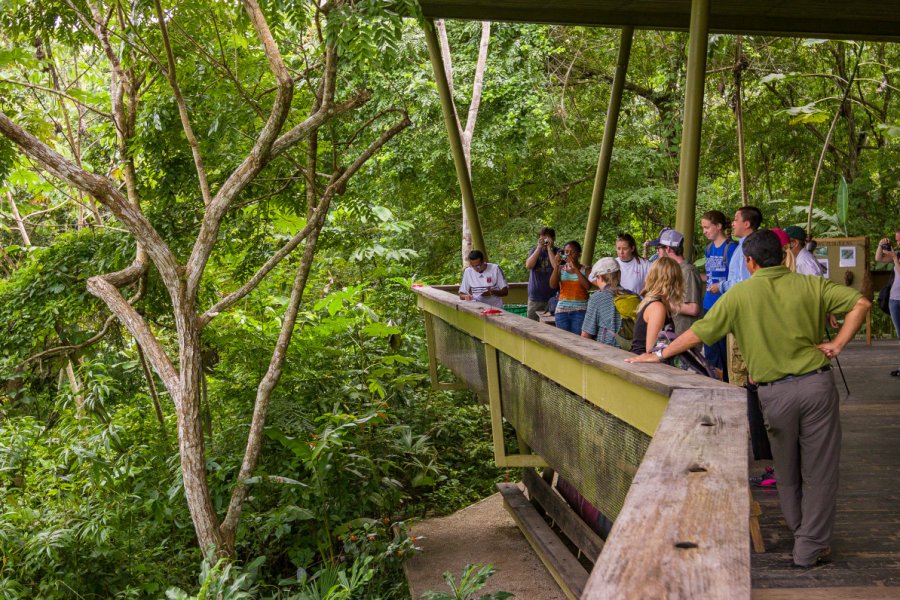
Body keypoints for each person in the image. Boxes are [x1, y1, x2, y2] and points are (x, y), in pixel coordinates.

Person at [628, 229, 871, 568]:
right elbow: (861, 303)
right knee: (820, 469)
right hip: (816, 385)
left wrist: (660, 354)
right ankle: (809, 544)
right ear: (784, 256)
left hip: (775, 394)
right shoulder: (811, 285)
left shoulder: (740, 295)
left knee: (785, 467)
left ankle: (803, 532)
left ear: (750, 261)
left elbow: (698, 332)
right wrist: (839, 343)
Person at [707, 205, 763, 386]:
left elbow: (742, 282)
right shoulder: (743, 246)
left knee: (739, 367)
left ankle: (743, 403)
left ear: (746, 223)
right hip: (740, 312)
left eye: (736, 219)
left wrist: (721, 286)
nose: (733, 223)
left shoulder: (747, 248)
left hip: (743, 314)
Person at [700, 210, 738, 380]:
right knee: (710, 348)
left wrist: (720, 287)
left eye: (707, 227)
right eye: (703, 228)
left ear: (719, 226)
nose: (705, 231)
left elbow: (736, 279)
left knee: (724, 351)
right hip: (708, 304)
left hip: (724, 305)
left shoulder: (731, 249)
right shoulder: (708, 249)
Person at [630, 257, 683, 355]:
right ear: (674, 281)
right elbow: (652, 350)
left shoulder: (657, 303)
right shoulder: (657, 307)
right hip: (643, 364)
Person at [581, 257, 637, 348]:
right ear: (619, 274)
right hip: (631, 351)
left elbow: (586, 334)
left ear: (600, 277)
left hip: (606, 350)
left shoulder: (597, 298)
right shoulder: (633, 296)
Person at [655, 229, 703, 335]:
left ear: (667, 249)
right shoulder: (674, 269)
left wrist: (663, 302)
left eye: (659, 248)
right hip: (673, 333)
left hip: (684, 336)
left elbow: (693, 309)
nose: (657, 252)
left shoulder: (688, 271)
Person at [550, 240, 591, 334]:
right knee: (563, 341)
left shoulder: (586, 269)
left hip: (580, 311)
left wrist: (575, 269)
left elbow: (587, 286)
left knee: (577, 341)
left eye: (572, 252)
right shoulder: (561, 269)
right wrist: (556, 266)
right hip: (562, 311)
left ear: (579, 254)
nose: (569, 255)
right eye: (566, 252)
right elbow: (552, 285)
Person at [875, 229, 900, 374]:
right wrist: (881, 245)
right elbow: (879, 258)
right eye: (896, 240)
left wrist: (895, 258)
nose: (898, 243)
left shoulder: (897, 256)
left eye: (899, 240)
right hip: (894, 300)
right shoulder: (898, 253)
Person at [524, 227, 559, 320]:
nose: (544, 240)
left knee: (553, 327)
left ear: (553, 238)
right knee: (532, 326)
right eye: (542, 238)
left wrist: (549, 249)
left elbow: (556, 266)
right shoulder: (534, 250)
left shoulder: (558, 252)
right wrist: (539, 248)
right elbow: (528, 265)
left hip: (553, 297)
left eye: (547, 237)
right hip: (535, 297)